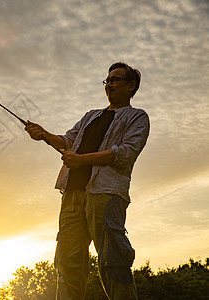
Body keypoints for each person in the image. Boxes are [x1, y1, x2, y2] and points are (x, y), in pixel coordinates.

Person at [25, 62, 149, 300]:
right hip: (71, 194)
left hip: (106, 194)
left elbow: (126, 152)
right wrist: (43, 135)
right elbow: (67, 140)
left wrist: (82, 160)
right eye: (107, 80)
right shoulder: (91, 116)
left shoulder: (137, 117)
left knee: (112, 262)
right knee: (67, 265)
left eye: (115, 80)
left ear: (131, 86)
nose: (109, 84)